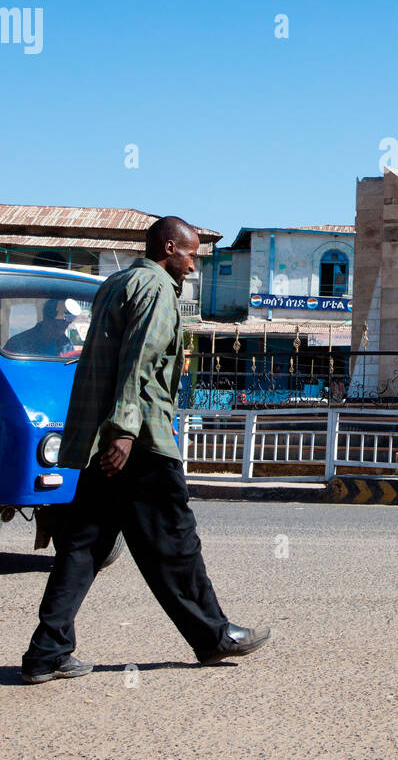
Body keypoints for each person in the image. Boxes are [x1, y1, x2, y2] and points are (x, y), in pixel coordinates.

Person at [21, 216, 271, 684]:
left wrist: (109, 431)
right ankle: (214, 635)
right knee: (175, 540)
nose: (194, 264)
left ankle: (47, 651)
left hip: (107, 435)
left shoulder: (117, 283)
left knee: (84, 545)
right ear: (169, 246)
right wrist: (124, 430)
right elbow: (139, 361)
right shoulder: (156, 289)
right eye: (191, 253)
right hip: (140, 438)